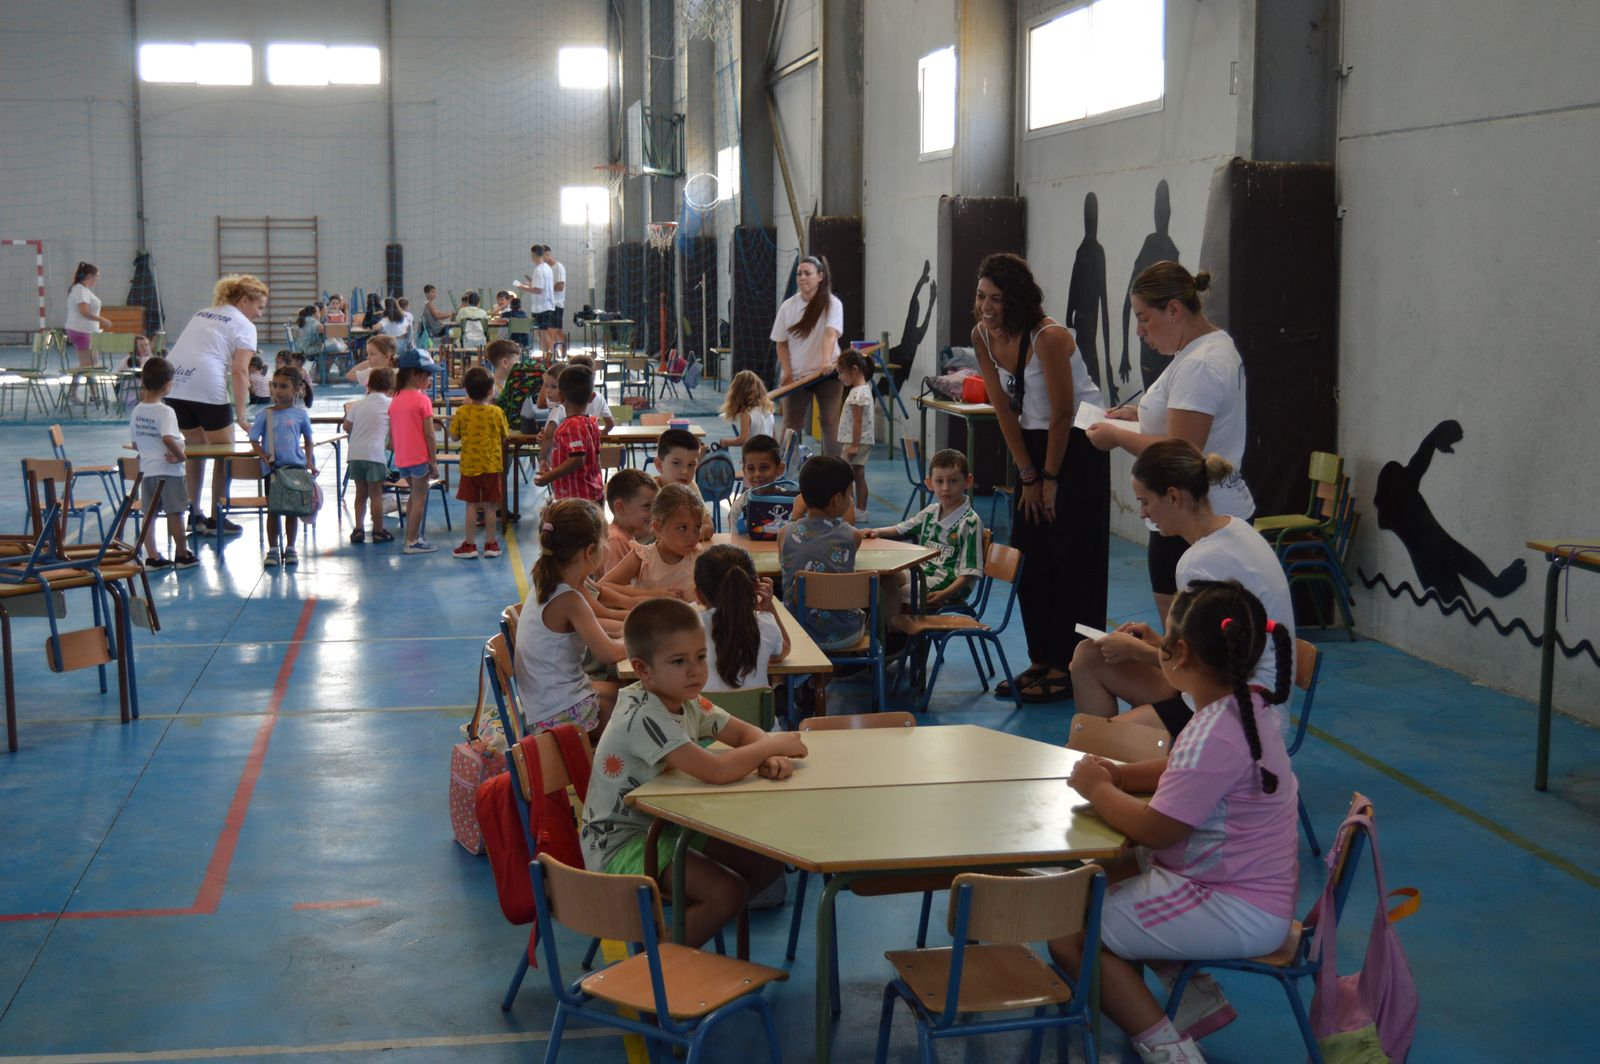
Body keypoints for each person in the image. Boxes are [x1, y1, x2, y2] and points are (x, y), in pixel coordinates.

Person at [1047, 581, 1298, 1064]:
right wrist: (1121, 775)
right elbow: (1182, 769)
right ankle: (1195, 994)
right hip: (1243, 886)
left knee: (1070, 933)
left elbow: (1157, 830)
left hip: (1233, 903)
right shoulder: (1243, 706)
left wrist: (1098, 790)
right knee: (1114, 871)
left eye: (1164, 640)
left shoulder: (1216, 731)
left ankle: (1170, 1050)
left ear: (1180, 655)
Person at [579, 597, 807, 947]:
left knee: (766, 865)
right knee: (726, 893)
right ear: (642, 669)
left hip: (664, 827)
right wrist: (773, 746)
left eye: (700, 656)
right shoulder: (643, 715)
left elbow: (744, 734)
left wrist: (768, 753)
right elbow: (717, 770)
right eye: (678, 661)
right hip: (621, 844)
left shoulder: (687, 700)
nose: (695, 670)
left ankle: (694, 925)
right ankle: (658, 964)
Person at [1070, 440, 1294, 736]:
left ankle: (1108, 754)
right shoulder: (1237, 528)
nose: (1143, 514)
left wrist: (1139, 651)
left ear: (1173, 497)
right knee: (1088, 656)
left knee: (1090, 737)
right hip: (1241, 690)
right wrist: (1158, 643)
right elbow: (1210, 651)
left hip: (1235, 709)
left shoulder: (1198, 563)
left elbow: (1203, 671)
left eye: (1145, 502)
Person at [969, 252, 1109, 705]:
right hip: (1033, 446)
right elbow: (1002, 409)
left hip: (1077, 445)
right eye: (981, 296)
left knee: (1075, 559)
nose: (986, 307)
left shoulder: (1048, 336)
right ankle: (1042, 657)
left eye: (996, 298)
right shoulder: (982, 336)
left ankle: (1074, 666)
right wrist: (1027, 475)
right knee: (1031, 554)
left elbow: (1063, 413)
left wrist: (1050, 477)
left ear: (1017, 299)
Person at [1085, 261, 1254, 622]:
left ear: (1174, 310)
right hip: (1195, 510)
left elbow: (1181, 452)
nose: (1139, 332)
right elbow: (1190, 417)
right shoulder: (1209, 346)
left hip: (1193, 514)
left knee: (1190, 634)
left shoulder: (1200, 365)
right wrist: (1138, 416)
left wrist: (1116, 437)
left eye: (1144, 318)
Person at [164, 273, 268, 536]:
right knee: (224, 452)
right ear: (244, 301)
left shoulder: (203, 313)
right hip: (205, 383)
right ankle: (217, 516)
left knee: (195, 448)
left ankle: (194, 514)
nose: (260, 314)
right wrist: (241, 414)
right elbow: (240, 371)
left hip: (174, 383)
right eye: (259, 307)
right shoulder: (244, 325)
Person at [515, 499, 629, 738]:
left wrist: (629, 627)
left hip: (545, 704)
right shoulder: (569, 599)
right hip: (558, 715)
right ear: (590, 551)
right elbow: (608, 653)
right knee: (641, 713)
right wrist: (646, 643)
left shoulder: (548, 581)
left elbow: (594, 626)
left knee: (631, 694)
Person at [863, 447, 984, 614]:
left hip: (948, 585)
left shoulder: (971, 523)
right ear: (929, 483)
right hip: (923, 572)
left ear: (968, 481)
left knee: (893, 593)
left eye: (953, 481)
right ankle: (881, 628)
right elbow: (902, 528)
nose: (946, 488)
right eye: (939, 481)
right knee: (882, 579)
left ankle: (892, 629)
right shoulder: (931, 512)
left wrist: (944, 594)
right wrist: (877, 532)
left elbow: (970, 573)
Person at [780, 455, 864, 651]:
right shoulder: (853, 536)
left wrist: (795, 514)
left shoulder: (785, 534)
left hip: (796, 633)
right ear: (838, 499)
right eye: (849, 494)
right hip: (845, 636)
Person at [771, 255, 845, 456]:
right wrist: (787, 372)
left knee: (829, 421)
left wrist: (826, 361)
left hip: (827, 373)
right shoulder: (788, 307)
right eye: (799, 274)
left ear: (820, 276)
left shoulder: (832, 304)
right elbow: (781, 343)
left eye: (807, 273)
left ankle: (833, 468)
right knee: (791, 424)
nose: (802, 277)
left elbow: (830, 334)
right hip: (798, 376)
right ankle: (785, 468)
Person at [128, 357, 198, 570]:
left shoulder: (137, 410)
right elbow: (167, 438)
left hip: (148, 470)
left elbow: (135, 443)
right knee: (175, 512)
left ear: (143, 381)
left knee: (149, 515)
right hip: (169, 471)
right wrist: (181, 456)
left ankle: (152, 557)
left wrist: (149, 452)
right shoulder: (166, 411)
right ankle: (182, 554)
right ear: (168, 385)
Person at [695, 544, 790, 693]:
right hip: (755, 709)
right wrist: (768, 607)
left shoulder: (688, 628)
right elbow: (783, 651)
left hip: (704, 709)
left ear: (698, 595)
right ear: (755, 587)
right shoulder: (765, 624)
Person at [248, 365, 316, 568]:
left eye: (284, 386)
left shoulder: (301, 415)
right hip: (274, 470)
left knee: (292, 510)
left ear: (297, 389)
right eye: (275, 386)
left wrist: (309, 461)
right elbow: (254, 439)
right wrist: (263, 456)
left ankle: (291, 547)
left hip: (295, 469)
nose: (278, 391)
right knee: (274, 510)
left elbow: (308, 440)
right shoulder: (265, 414)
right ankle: (273, 549)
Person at [599, 484, 705, 606]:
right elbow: (602, 586)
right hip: (652, 616)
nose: (692, 536)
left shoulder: (698, 556)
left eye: (697, 527)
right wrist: (651, 594)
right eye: (683, 528)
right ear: (658, 527)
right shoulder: (643, 557)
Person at [448, 366, 510, 560]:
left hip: (470, 468)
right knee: (490, 506)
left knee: (472, 506)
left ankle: (469, 545)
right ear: (491, 391)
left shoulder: (462, 412)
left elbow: (454, 436)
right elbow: (505, 436)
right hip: (492, 467)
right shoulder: (497, 412)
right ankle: (491, 544)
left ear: (467, 391)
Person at [535, 364, 603, 502]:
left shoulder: (571, 425)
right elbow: (596, 459)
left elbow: (577, 459)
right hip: (592, 493)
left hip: (577, 498)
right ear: (591, 397)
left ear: (560, 396)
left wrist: (549, 477)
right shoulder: (591, 423)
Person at [389, 365, 439, 554]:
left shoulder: (395, 400)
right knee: (419, 498)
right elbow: (430, 434)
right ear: (415, 375)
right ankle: (412, 541)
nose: (430, 379)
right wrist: (433, 461)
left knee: (413, 495)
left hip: (402, 460)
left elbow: (391, 436)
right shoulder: (422, 400)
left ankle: (411, 535)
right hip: (419, 458)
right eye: (428, 375)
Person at [342, 366, 394, 545]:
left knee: (360, 494)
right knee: (376, 494)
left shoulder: (359, 405)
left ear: (369, 386)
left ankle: (358, 529)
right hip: (375, 455)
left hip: (355, 455)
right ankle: (378, 531)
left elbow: (346, 427)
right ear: (390, 388)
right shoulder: (390, 404)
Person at [655, 427, 713, 540]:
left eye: (691, 465)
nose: (685, 472)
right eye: (676, 463)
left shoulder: (690, 487)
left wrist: (694, 534)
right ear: (659, 465)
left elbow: (708, 525)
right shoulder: (651, 492)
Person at [835, 349, 876, 511]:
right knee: (858, 475)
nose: (839, 377)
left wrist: (854, 445)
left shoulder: (857, 393)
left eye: (841, 372)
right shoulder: (864, 389)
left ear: (854, 369)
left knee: (847, 477)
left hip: (855, 441)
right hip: (861, 440)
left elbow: (858, 421)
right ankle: (859, 510)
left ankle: (850, 510)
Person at [603, 468, 658, 574]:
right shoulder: (616, 541)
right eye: (647, 506)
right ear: (620, 508)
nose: (654, 512)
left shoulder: (625, 536)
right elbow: (616, 583)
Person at [728, 434, 785, 533]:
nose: (757, 474)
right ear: (744, 471)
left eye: (764, 467)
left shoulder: (791, 502)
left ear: (779, 469)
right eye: (751, 468)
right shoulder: (739, 508)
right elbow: (734, 540)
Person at [64, 261, 113, 369]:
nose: (98, 279)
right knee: (89, 365)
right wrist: (102, 320)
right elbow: (84, 311)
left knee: (89, 364)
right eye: (97, 276)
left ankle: (81, 379)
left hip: (81, 329)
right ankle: (81, 379)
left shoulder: (80, 289)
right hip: (82, 330)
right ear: (89, 276)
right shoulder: (81, 290)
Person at [715, 370, 776, 452]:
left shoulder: (746, 414)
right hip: (770, 452)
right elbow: (773, 436)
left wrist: (725, 442)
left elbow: (743, 440)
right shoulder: (768, 409)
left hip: (756, 453)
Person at [543, 245, 567, 356]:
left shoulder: (558, 267)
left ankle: (561, 355)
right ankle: (554, 354)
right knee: (549, 331)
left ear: (547, 254)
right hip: (547, 305)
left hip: (556, 304)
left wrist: (544, 286)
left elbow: (560, 287)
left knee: (556, 332)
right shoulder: (545, 269)